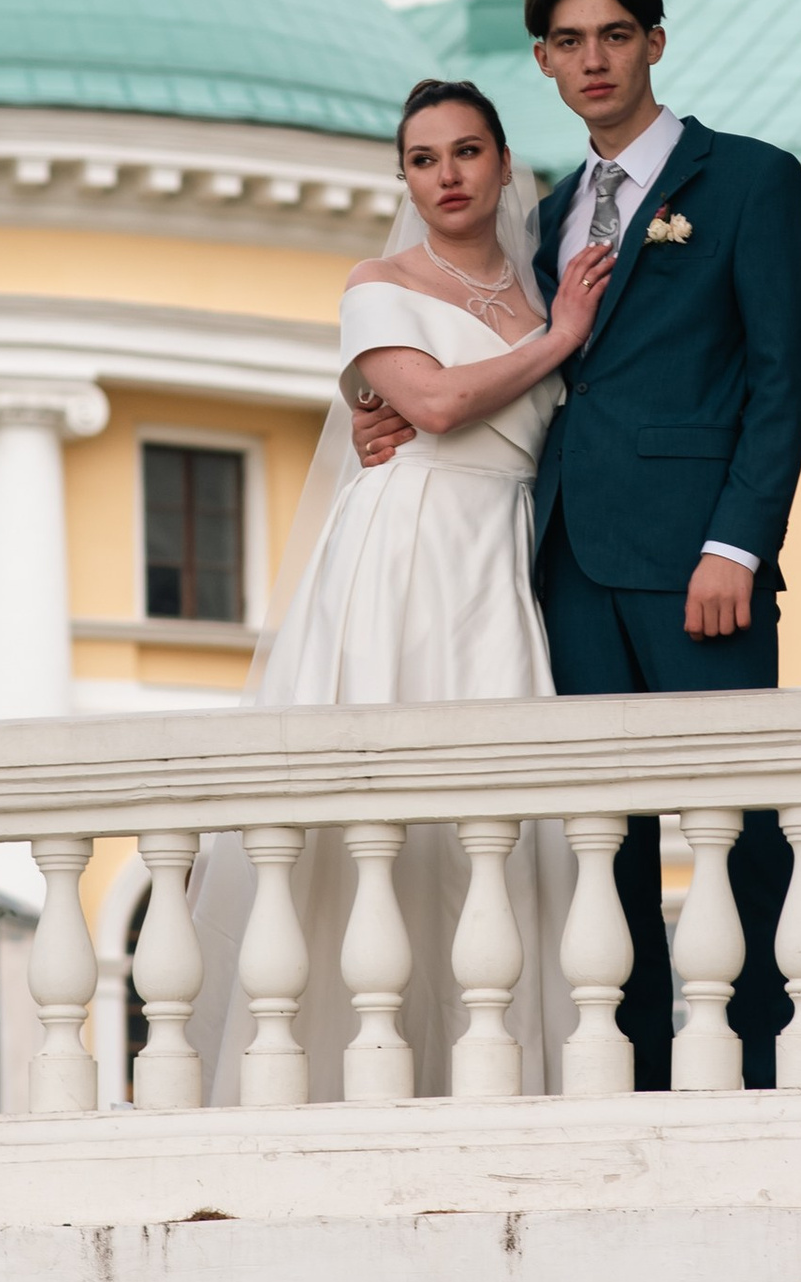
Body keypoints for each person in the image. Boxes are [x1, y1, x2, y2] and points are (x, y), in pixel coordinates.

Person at [354, 0, 801, 1088]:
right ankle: (640, 1068)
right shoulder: (552, 215)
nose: (593, 59)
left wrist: (736, 543)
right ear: (543, 62)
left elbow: (784, 373)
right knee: (603, 837)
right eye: (568, 42)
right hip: (559, 566)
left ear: (654, 42)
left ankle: (760, 1065)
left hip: (695, 566)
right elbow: (499, 359)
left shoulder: (749, 180)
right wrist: (376, 407)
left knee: (731, 819)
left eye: (614, 34)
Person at [185, 78, 614, 1100]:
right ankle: (358, 1070)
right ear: (404, 178)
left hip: (504, 549)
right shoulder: (379, 282)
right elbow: (431, 399)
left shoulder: (540, 276)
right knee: (385, 794)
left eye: (467, 152)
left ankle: (496, 1069)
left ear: (505, 164)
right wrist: (559, 337)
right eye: (423, 160)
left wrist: (551, 321)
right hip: (409, 543)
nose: (447, 176)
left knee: (495, 805)